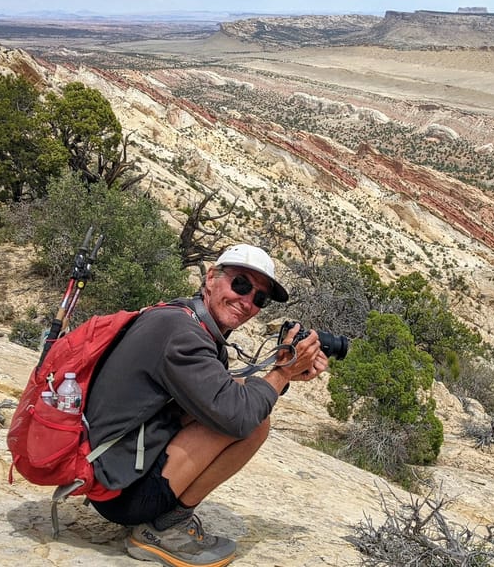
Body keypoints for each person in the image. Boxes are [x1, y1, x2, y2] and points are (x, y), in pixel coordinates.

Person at [84, 243, 329, 567]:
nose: (247, 301)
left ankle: (164, 517)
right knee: (255, 423)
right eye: (240, 284)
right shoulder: (181, 333)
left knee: (241, 395)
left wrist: (284, 375)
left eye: (259, 298)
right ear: (211, 277)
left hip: (113, 471)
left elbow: (218, 397)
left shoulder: (187, 320)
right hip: (121, 493)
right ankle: (165, 529)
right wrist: (282, 373)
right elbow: (238, 418)